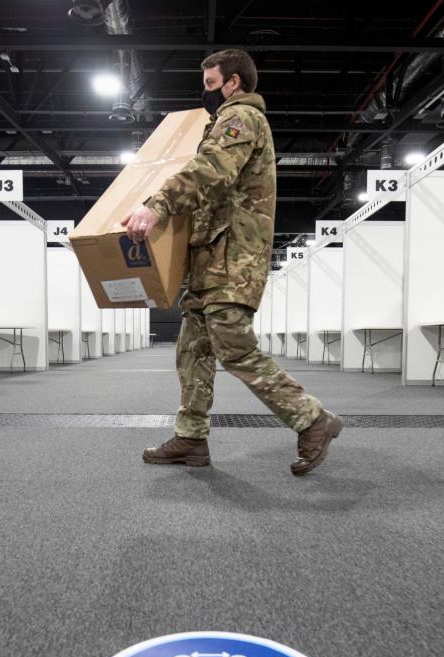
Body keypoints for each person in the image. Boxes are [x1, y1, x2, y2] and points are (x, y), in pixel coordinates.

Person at [121, 49, 341, 476]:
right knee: (192, 351)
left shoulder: (241, 117)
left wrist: (158, 205)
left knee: (233, 346)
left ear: (233, 83)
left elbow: (213, 170)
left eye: (210, 85)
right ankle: (191, 438)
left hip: (233, 258)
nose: (205, 94)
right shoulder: (218, 121)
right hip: (209, 259)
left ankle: (312, 419)